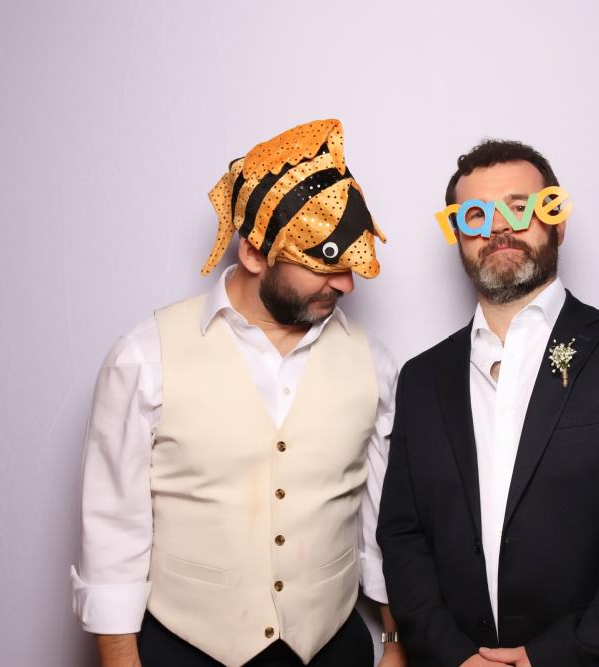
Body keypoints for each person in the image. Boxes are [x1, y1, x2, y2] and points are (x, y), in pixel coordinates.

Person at [72, 119, 405, 667]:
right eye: (326, 264)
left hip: (332, 648)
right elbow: (112, 529)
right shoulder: (144, 357)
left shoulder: (375, 364)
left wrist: (394, 644)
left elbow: (381, 526)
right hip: (185, 650)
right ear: (253, 253)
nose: (347, 284)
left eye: (352, 265)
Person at [377, 139, 599, 667]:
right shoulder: (421, 379)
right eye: (476, 215)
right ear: (458, 233)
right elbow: (402, 534)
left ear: (558, 222)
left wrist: (556, 656)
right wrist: (453, 655)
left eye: (520, 207)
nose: (499, 228)